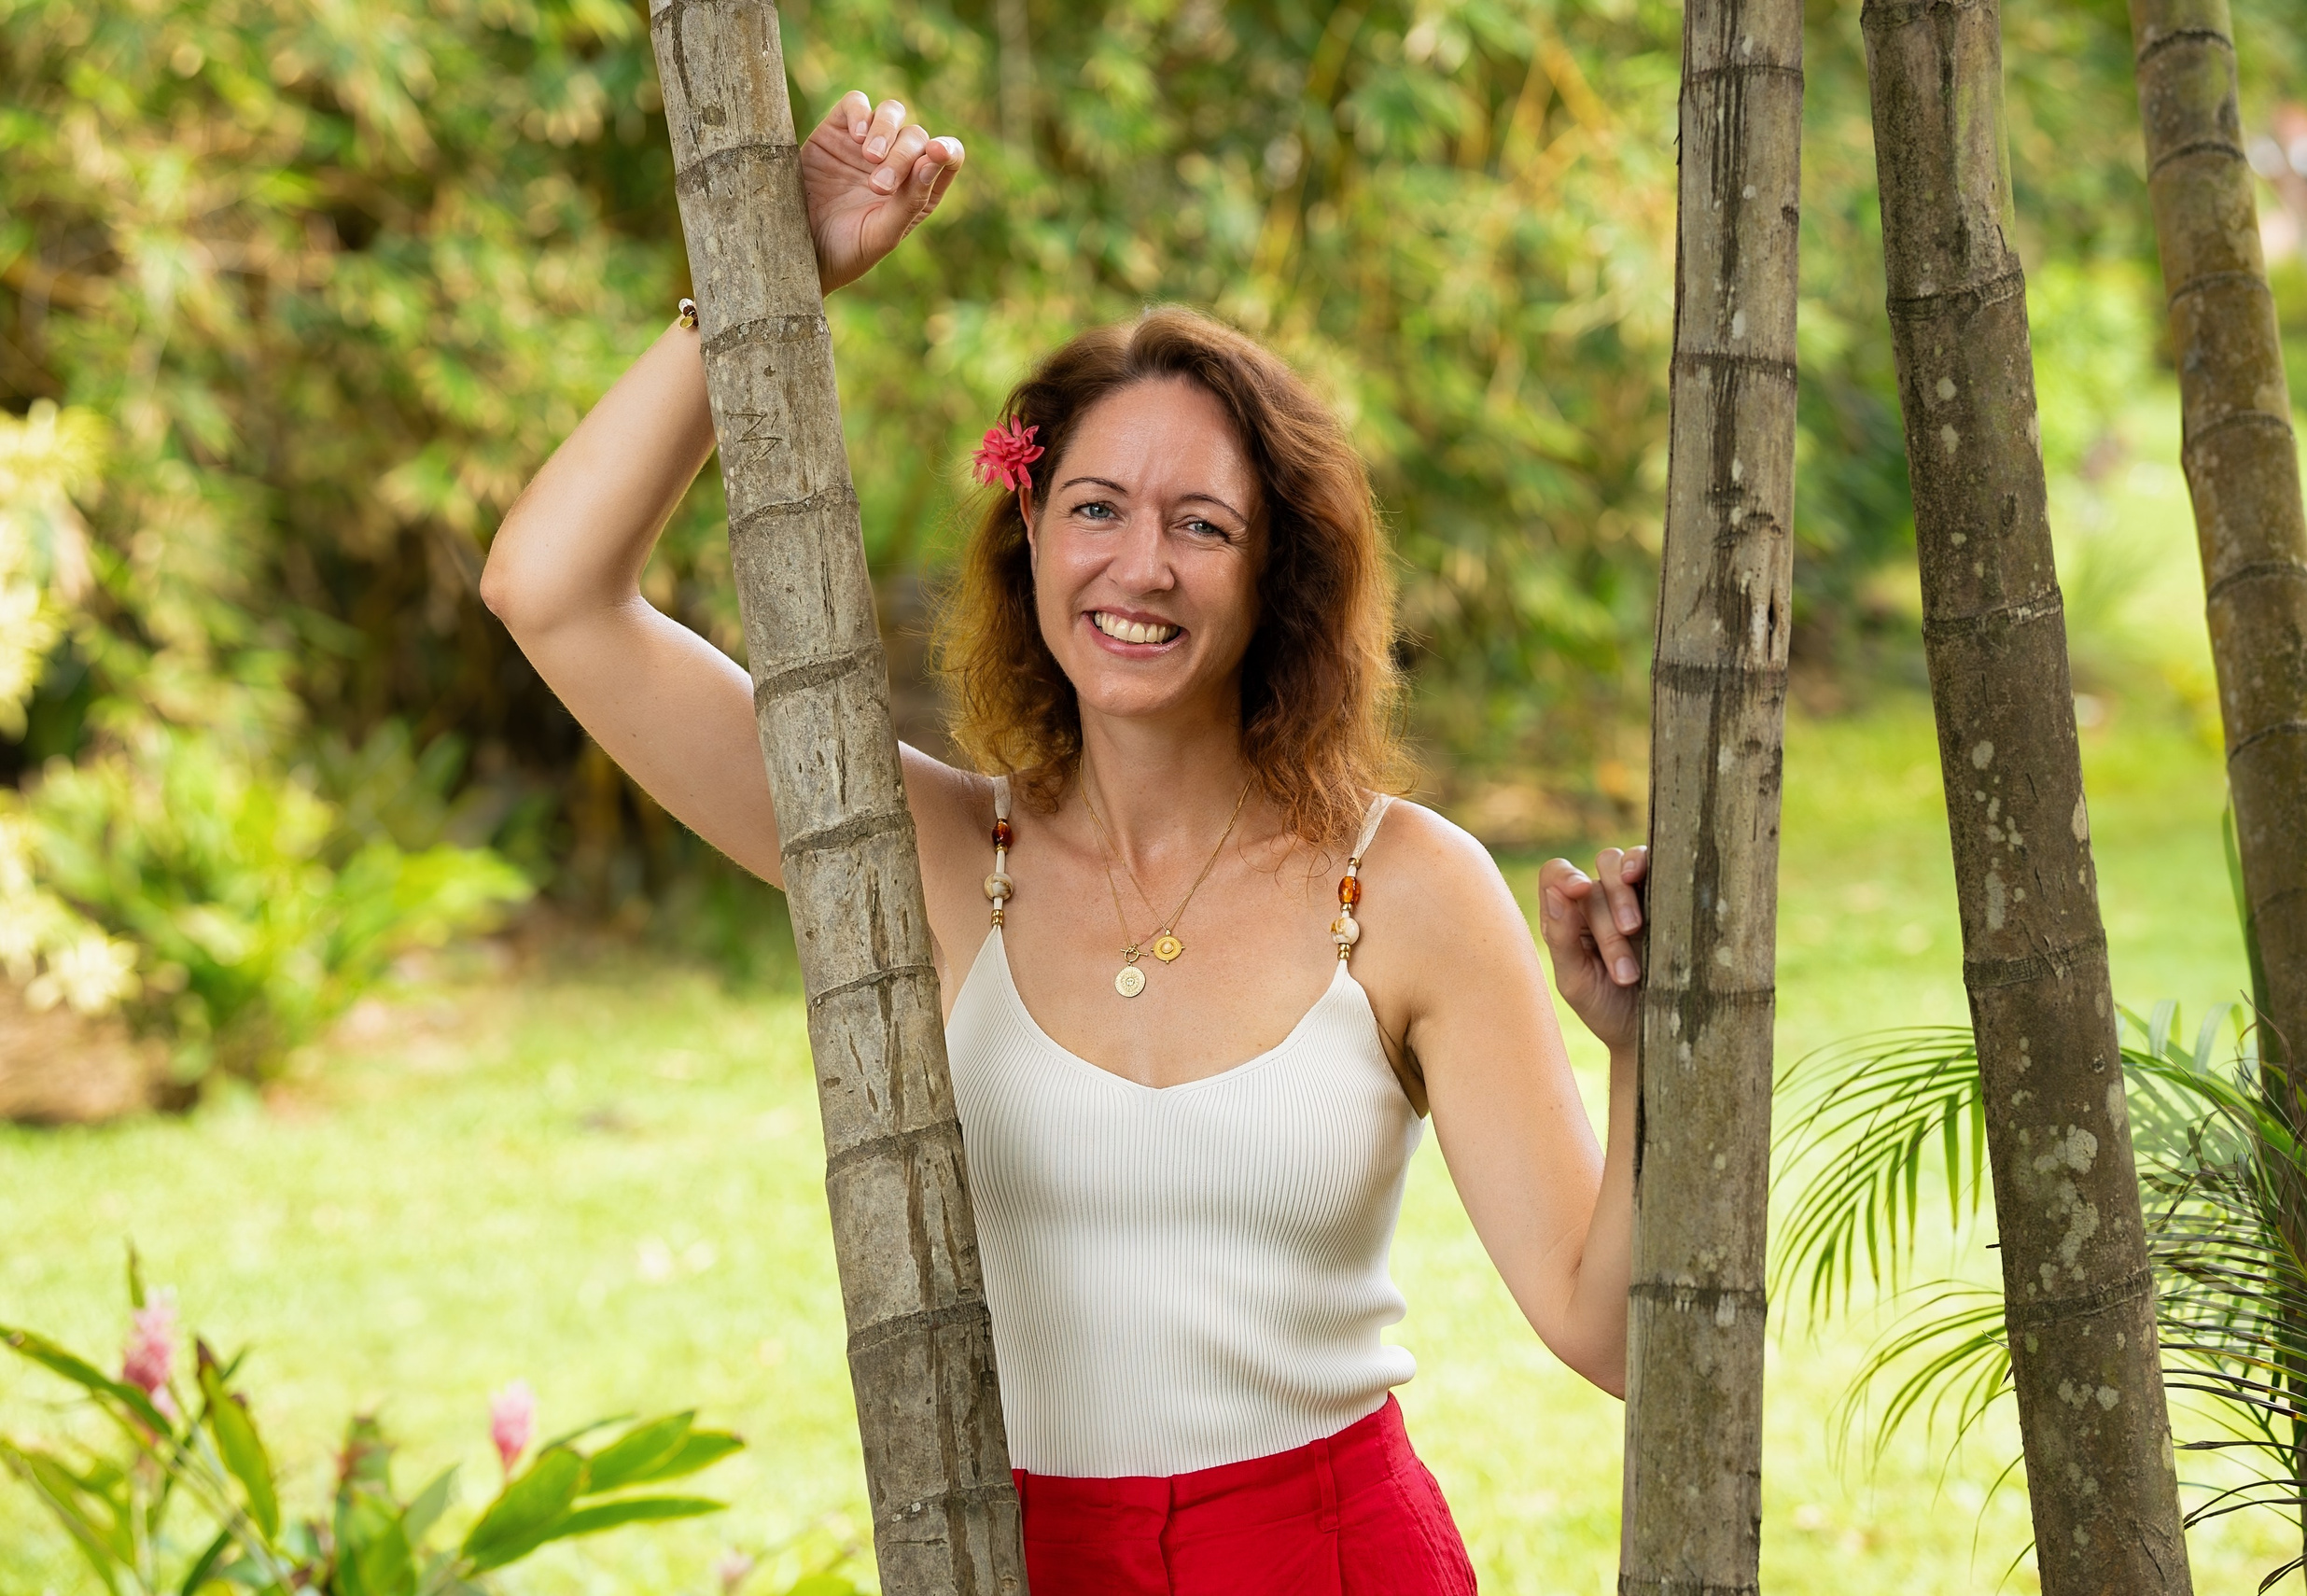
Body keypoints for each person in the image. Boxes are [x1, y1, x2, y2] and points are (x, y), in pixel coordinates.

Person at [482, 91, 1648, 1596]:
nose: (1139, 566)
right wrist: (770, 273)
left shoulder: (1408, 888)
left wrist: (1638, 1051)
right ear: (1029, 532)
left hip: (1339, 1558)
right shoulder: (924, 854)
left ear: (1278, 569)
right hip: (1016, 1560)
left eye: (1203, 525)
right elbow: (551, 587)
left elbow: (1604, 1327)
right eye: (1095, 506)